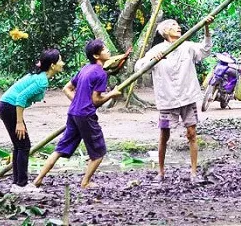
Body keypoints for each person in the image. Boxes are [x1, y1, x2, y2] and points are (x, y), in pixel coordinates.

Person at [33, 39, 124, 189]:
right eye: (104, 49)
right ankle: (85, 182)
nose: (108, 51)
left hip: (74, 113)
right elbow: (95, 101)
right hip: (86, 115)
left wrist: (79, 102)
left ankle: (38, 179)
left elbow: (66, 88)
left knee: (59, 149)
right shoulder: (101, 73)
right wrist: (111, 94)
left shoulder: (85, 69)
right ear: (96, 56)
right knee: (98, 153)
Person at [134, 16, 213, 183]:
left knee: (192, 134)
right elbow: (138, 67)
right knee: (164, 135)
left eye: (178, 25)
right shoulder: (158, 50)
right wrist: (152, 60)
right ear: (165, 32)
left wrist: (206, 28)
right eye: (173, 25)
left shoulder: (187, 46)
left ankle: (193, 172)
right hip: (167, 99)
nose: (178, 27)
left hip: (188, 96)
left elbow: (205, 50)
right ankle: (161, 172)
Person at [0, 49, 65, 193]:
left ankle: (17, 183)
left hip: (7, 106)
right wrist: (19, 122)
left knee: (19, 145)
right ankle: (21, 184)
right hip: (10, 107)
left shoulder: (41, 77)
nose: (63, 63)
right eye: (60, 60)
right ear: (52, 65)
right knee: (23, 145)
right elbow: (21, 98)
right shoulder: (41, 81)